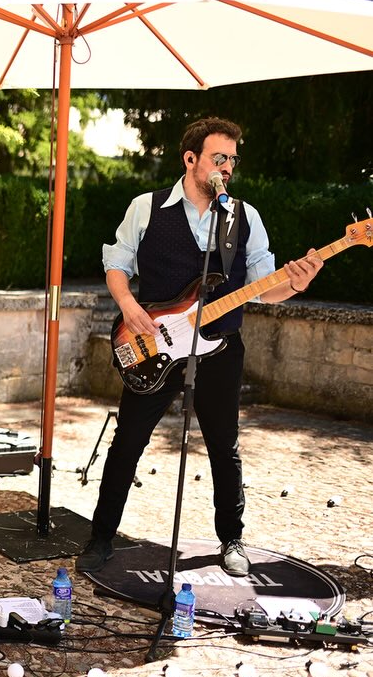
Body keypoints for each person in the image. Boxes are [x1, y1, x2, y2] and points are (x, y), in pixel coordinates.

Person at [76, 117, 322, 577]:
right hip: (155, 343)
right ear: (190, 160)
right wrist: (128, 305)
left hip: (221, 347)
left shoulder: (245, 217)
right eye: (218, 158)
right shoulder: (145, 207)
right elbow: (116, 262)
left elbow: (262, 286)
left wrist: (295, 285)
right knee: (128, 441)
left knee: (224, 448)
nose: (226, 168)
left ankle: (231, 539)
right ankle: (101, 537)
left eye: (232, 159)